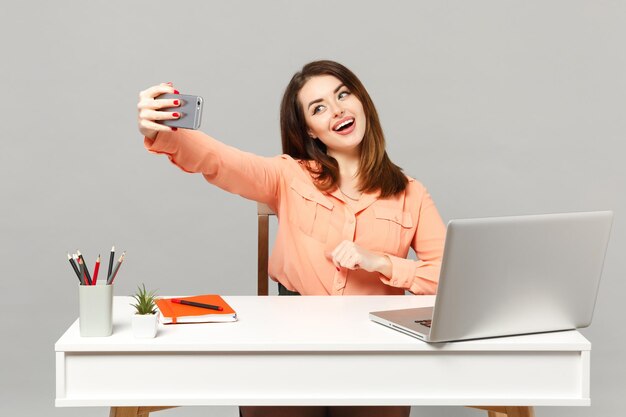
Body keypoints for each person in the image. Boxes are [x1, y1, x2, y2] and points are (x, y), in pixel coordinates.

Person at [137, 60, 446, 417]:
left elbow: (447, 279)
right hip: (290, 342)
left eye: (343, 94)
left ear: (361, 101)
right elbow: (220, 161)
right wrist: (164, 131)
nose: (337, 110)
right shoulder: (288, 176)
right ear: (310, 130)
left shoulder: (411, 193)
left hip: (374, 348)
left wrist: (382, 263)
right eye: (319, 108)